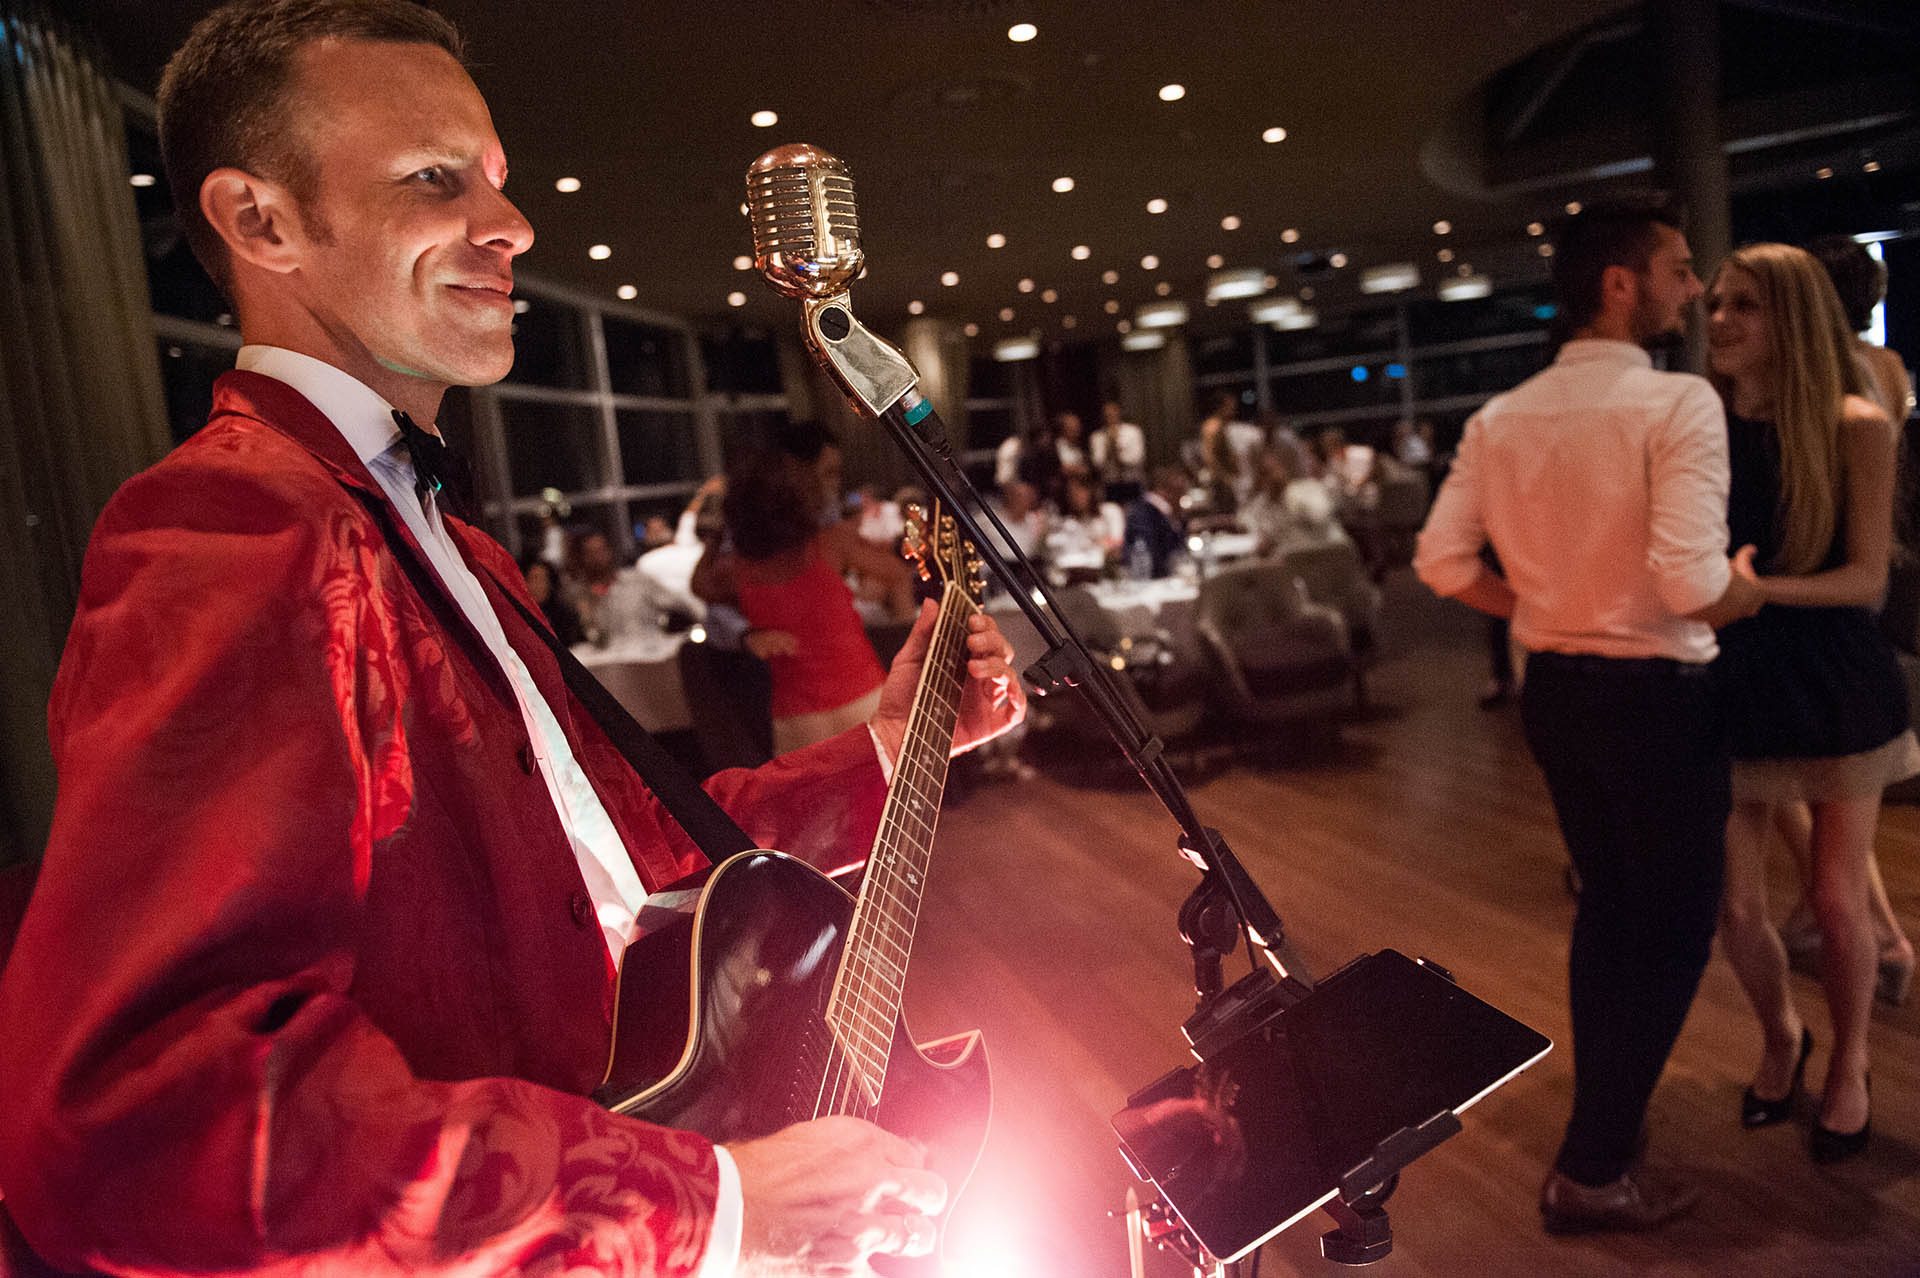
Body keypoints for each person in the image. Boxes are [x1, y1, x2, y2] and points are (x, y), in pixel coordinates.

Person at [0, 4, 1025, 1274]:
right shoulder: (237, 523)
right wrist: (709, 1203)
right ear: (261, 223)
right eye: (436, 180)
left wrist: (893, 745)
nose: (514, 227)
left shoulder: (453, 547)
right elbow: (145, 1111)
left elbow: (635, 869)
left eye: (496, 178)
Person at [1414, 194, 1762, 1235]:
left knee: (1611, 911)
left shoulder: (1500, 417)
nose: (1692, 289)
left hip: (1559, 695)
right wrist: (1748, 591)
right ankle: (1595, 1165)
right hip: (1658, 699)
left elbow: (1441, 563)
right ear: (1620, 285)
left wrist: (1544, 606)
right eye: (1678, 269)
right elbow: (1693, 582)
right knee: (1676, 929)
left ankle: (1606, 1129)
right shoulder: (1678, 402)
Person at [1704, 243, 1920, 1160]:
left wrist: (1756, 593)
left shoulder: (1854, 421)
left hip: (1833, 677)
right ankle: (1781, 1037)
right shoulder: (1702, 423)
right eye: (1716, 303)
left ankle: (1851, 1063)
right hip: (1729, 680)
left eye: (1744, 305)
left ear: (1792, 316)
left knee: (1835, 900)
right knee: (1734, 908)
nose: (1720, 320)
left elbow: (1868, 578)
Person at [696, 446, 917, 756]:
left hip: (796, 717)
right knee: (888, 785)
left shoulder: (737, 569)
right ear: (804, 499)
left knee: (809, 790)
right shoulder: (830, 544)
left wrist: (716, 537)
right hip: (862, 697)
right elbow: (897, 572)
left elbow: (699, 585)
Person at [1124, 466, 1191, 579]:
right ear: (1165, 491)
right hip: (1152, 580)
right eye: (1179, 492)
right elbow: (1148, 555)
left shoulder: (1165, 512)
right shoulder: (1144, 513)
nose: (1182, 497)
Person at [1090, 399, 1146, 502]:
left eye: (1112, 413)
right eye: (1107, 414)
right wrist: (1108, 449)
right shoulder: (1097, 437)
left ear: (1119, 412)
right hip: (1110, 483)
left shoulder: (1133, 432)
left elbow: (1137, 458)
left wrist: (1117, 451)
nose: (1110, 416)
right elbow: (1097, 463)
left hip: (1131, 481)